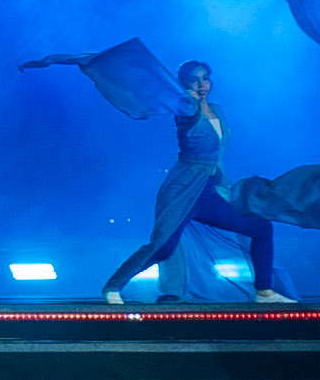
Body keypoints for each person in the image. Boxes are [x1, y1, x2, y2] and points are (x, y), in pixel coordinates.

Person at [91, 55, 291, 308]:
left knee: (261, 228)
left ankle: (264, 292)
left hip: (209, 192)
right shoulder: (186, 109)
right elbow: (189, 114)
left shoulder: (217, 110)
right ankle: (113, 286)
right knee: (163, 247)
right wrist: (188, 100)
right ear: (184, 84)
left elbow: (217, 150)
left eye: (205, 79)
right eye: (194, 80)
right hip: (183, 190)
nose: (201, 84)